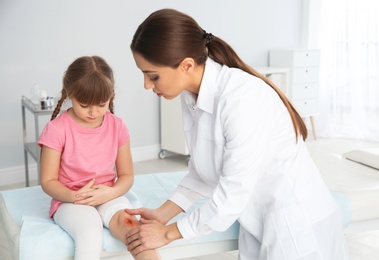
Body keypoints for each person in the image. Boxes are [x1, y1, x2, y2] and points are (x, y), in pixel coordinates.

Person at [125, 9, 349, 260]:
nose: (146, 85)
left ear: (186, 65)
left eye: (152, 76)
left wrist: (167, 234)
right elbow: (202, 172)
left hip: (298, 228)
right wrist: (163, 213)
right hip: (259, 222)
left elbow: (229, 199)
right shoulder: (192, 95)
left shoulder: (242, 99)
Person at [38, 56, 160, 260]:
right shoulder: (56, 130)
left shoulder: (117, 126)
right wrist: (75, 197)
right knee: (89, 233)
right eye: (85, 105)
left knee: (136, 230)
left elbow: (127, 175)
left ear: (110, 96)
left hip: (108, 194)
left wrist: (109, 193)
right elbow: (47, 181)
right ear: (71, 95)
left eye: (102, 104)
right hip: (70, 200)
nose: (94, 112)